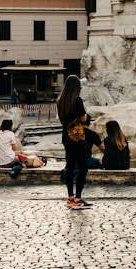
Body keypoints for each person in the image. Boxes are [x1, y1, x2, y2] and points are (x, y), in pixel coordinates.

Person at [57, 74, 92, 208]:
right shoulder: (77, 100)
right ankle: (78, 198)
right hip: (77, 136)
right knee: (83, 166)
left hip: (66, 135)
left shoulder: (60, 100)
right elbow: (83, 119)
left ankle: (70, 197)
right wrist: (85, 110)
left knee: (70, 166)